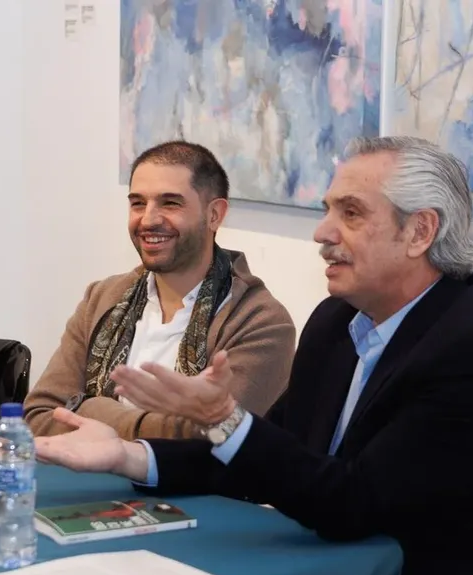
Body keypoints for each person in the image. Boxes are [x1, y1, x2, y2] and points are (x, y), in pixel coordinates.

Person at [34, 137, 473, 575]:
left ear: (419, 231)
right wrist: (128, 456)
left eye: (351, 214)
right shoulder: (338, 320)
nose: (322, 233)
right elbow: (271, 454)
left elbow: (351, 504)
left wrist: (221, 419)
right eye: (327, 211)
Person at [24, 140, 295, 440]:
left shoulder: (261, 323)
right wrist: (153, 425)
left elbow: (208, 439)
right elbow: (38, 416)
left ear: (214, 214)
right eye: (138, 203)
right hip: (83, 484)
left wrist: (91, 408)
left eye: (170, 203)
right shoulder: (101, 298)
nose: (149, 219)